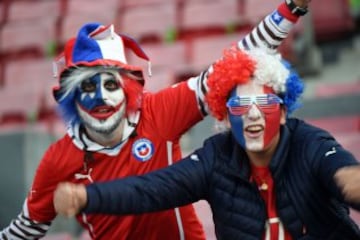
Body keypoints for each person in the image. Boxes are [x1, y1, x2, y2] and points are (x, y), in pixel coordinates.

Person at [0, 0, 311, 239]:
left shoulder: (160, 112)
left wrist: (290, 8)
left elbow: (232, 63)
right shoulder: (58, 160)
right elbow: (26, 229)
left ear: (128, 87)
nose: (100, 98)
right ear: (71, 98)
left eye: (110, 84)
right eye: (86, 87)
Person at [54, 47, 360, 240]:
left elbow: (337, 168)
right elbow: (151, 189)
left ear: (281, 112)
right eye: (239, 106)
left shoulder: (309, 143)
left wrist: (348, 179)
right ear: (226, 117)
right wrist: (87, 196)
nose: (252, 114)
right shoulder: (216, 156)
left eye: (263, 102)